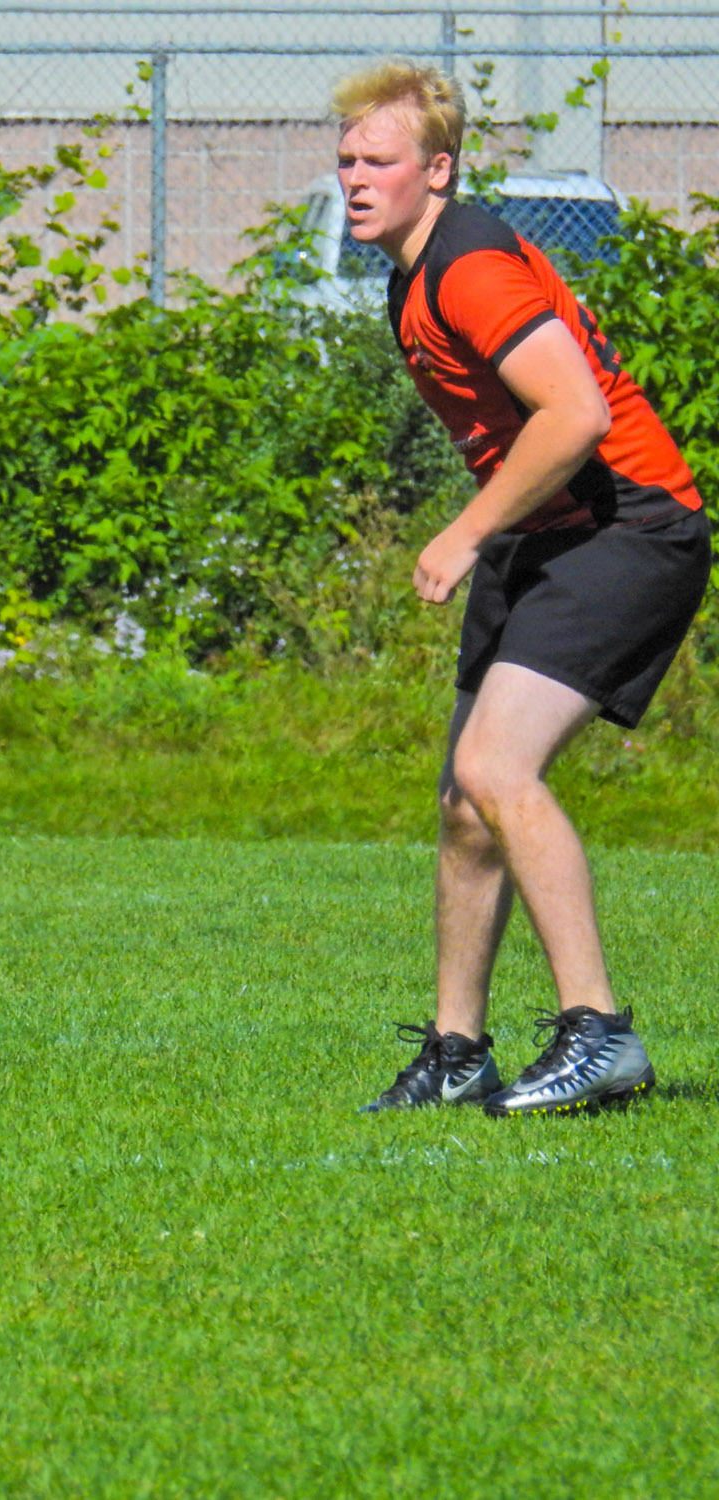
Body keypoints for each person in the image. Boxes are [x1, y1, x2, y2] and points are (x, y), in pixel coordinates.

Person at [334, 62, 710, 1115]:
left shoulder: (468, 265)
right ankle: (457, 1054)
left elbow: (574, 415)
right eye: (345, 162)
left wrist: (461, 532)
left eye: (378, 162)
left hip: (625, 527)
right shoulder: (411, 271)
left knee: (498, 767)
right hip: (546, 534)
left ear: (437, 169)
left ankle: (597, 1034)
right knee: (464, 803)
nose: (354, 179)